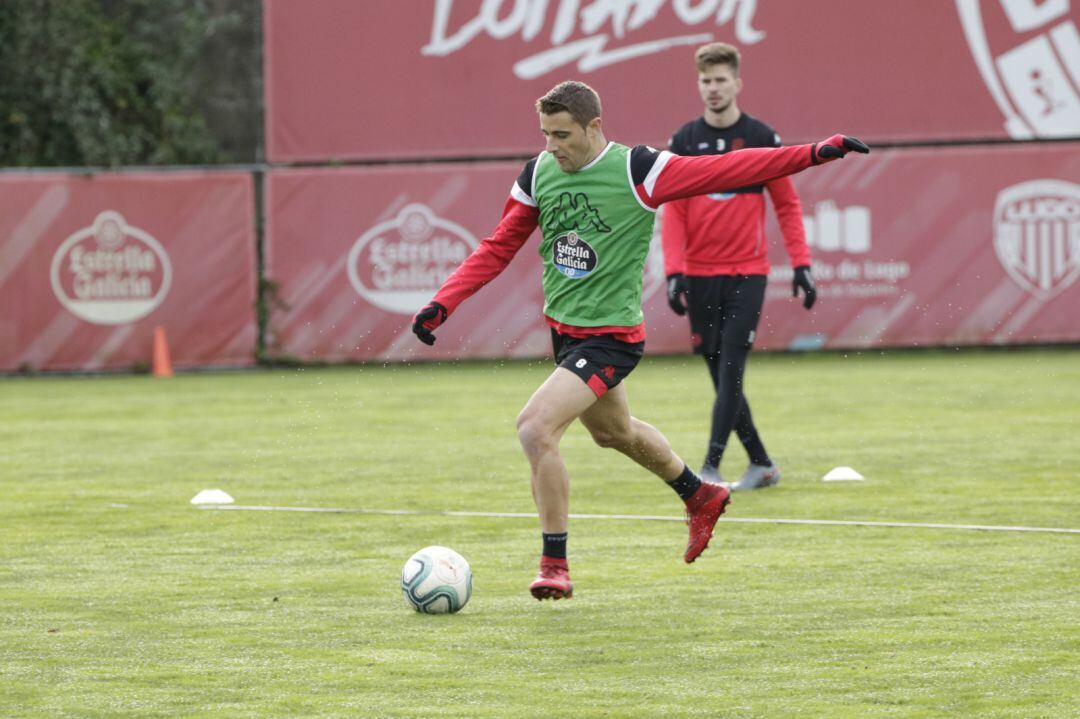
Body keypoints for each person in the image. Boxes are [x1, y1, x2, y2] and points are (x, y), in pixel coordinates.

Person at [412, 80, 867, 601]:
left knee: (536, 430)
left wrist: (815, 153)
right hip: (566, 334)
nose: (551, 145)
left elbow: (730, 169)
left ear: (594, 126)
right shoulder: (538, 174)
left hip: (610, 340)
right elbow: (497, 247)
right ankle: (700, 495)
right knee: (614, 432)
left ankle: (554, 564)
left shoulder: (639, 170)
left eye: (562, 134)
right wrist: (443, 301)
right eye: (544, 134)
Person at [662, 42, 816, 492]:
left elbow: (787, 205)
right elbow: (673, 212)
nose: (712, 88)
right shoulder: (684, 142)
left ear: (737, 83)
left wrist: (802, 264)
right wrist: (674, 272)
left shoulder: (763, 138)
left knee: (731, 369)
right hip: (699, 275)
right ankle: (762, 464)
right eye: (705, 81)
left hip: (748, 274)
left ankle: (709, 468)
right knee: (718, 372)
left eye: (720, 80)